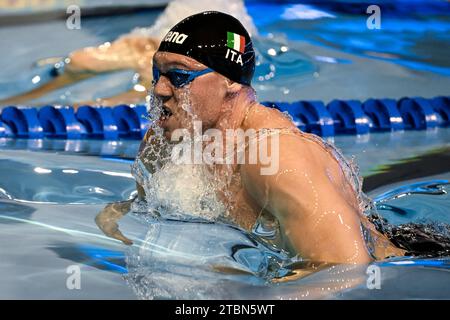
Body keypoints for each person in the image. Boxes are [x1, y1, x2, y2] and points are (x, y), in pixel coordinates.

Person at [95, 11, 406, 266]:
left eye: (179, 76)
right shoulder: (165, 139)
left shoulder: (275, 155)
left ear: (230, 81)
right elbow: (149, 208)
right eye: (157, 73)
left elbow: (346, 271)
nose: (160, 89)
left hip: (402, 266)